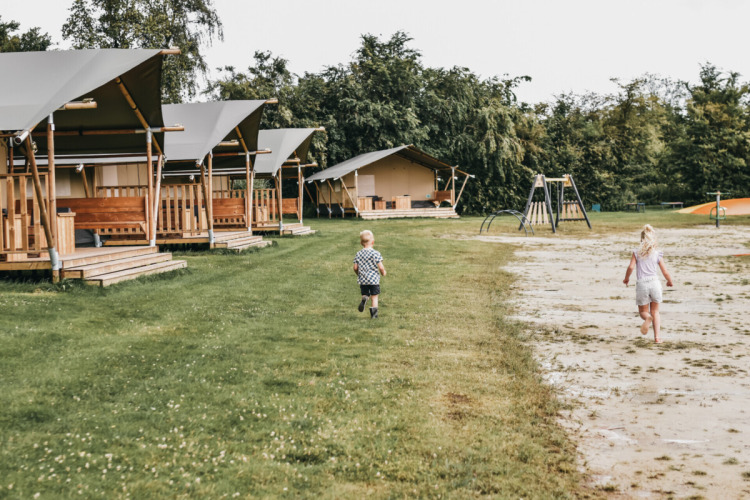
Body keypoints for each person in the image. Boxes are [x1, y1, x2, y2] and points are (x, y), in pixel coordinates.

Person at [623, 224, 673, 343]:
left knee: (643, 312)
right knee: (655, 311)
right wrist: (669, 281)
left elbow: (630, 267)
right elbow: (665, 271)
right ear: (653, 239)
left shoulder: (636, 252)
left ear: (641, 239)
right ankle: (657, 338)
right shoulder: (657, 254)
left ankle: (647, 318)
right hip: (655, 283)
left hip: (642, 284)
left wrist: (626, 278)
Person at [353, 230, 386, 318]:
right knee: (374, 297)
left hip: (363, 279)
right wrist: (383, 273)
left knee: (365, 293)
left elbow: (355, 268)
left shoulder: (358, 254)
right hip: (373, 279)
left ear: (361, 243)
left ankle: (364, 298)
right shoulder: (375, 253)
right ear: (373, 242)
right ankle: (374, 316)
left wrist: (358, 274)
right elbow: (381, 267)